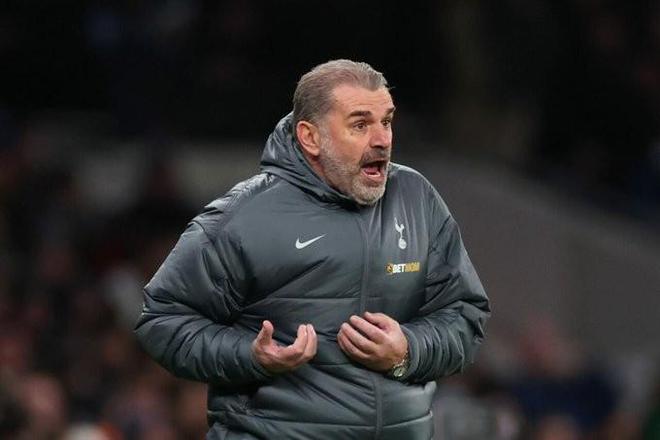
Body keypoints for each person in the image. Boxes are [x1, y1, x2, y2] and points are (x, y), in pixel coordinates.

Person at [134, 59, 490, 439]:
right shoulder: (244, 216)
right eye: (360, 124)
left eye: (386, 121)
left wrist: (408, 351)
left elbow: (465, 315)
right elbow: (162, 320)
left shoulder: (416, 199)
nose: (382, 139)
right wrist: (251, 356)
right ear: (310, 137)